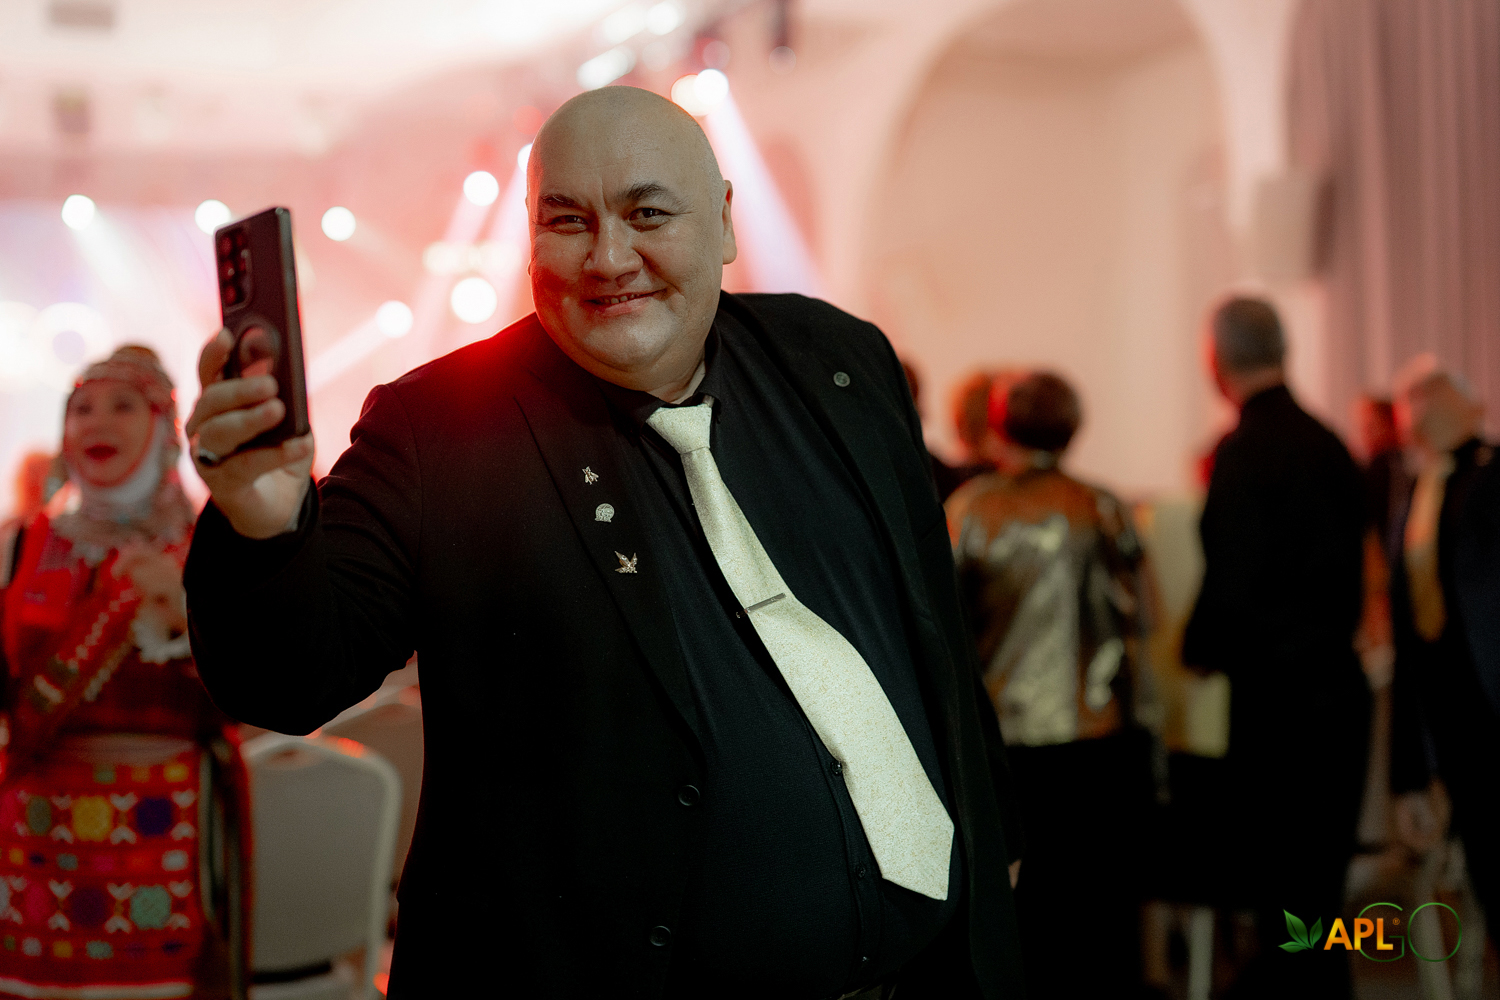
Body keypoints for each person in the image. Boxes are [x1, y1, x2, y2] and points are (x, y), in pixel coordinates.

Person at [182, 86, 1024, 998]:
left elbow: (929, 635)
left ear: (725, 221)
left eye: (646, 214)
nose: (609, 259)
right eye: (567, 221)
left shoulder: (838, 362)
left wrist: (995, 847)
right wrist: (264, 527)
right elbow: (292, 680)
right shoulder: (438, 428)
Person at [0, 347, 248, 999]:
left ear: (165, 428)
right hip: (36, 836)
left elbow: (257, 696)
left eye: (122, 406)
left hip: (165, 825)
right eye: (80, 409)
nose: (96, 423)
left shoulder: (212, 544)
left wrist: (183, 617)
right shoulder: (22, 545)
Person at [947, 370, 1159, 999]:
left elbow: (945, 631)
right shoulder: (1103, 506)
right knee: (1097, 911)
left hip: (1007, 747)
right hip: (1099, 739)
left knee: (1024, 912)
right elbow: (1146, 615)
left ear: (1000, 426)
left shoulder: (970, 510)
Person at [1183, 297, 1369, 998]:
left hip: (1278, 705)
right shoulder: (1329, 443)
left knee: (1283, 895)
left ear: (1215, 362)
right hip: (1338, 691)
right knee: (1318, 896)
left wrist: (1196, 649)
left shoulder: (1243, 452)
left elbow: (1232, 583)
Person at [1387, 359, 1498, 947]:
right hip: (1454, 724)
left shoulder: (1493, 478)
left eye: (1432, 391)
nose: (1417, 403)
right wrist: (1409, 769)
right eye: (1409, 396)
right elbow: (1408, 636)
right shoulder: (1414, 495)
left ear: (1472, 405)